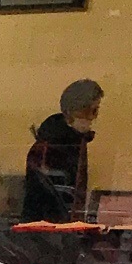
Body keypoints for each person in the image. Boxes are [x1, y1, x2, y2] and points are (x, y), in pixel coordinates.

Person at [22, 78, 102, 224]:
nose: (94, 117)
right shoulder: (52, 145)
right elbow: (52, 194)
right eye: (90, 111)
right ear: (74, 111)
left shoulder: (74, 141)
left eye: (96, 110)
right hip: (49, 227)